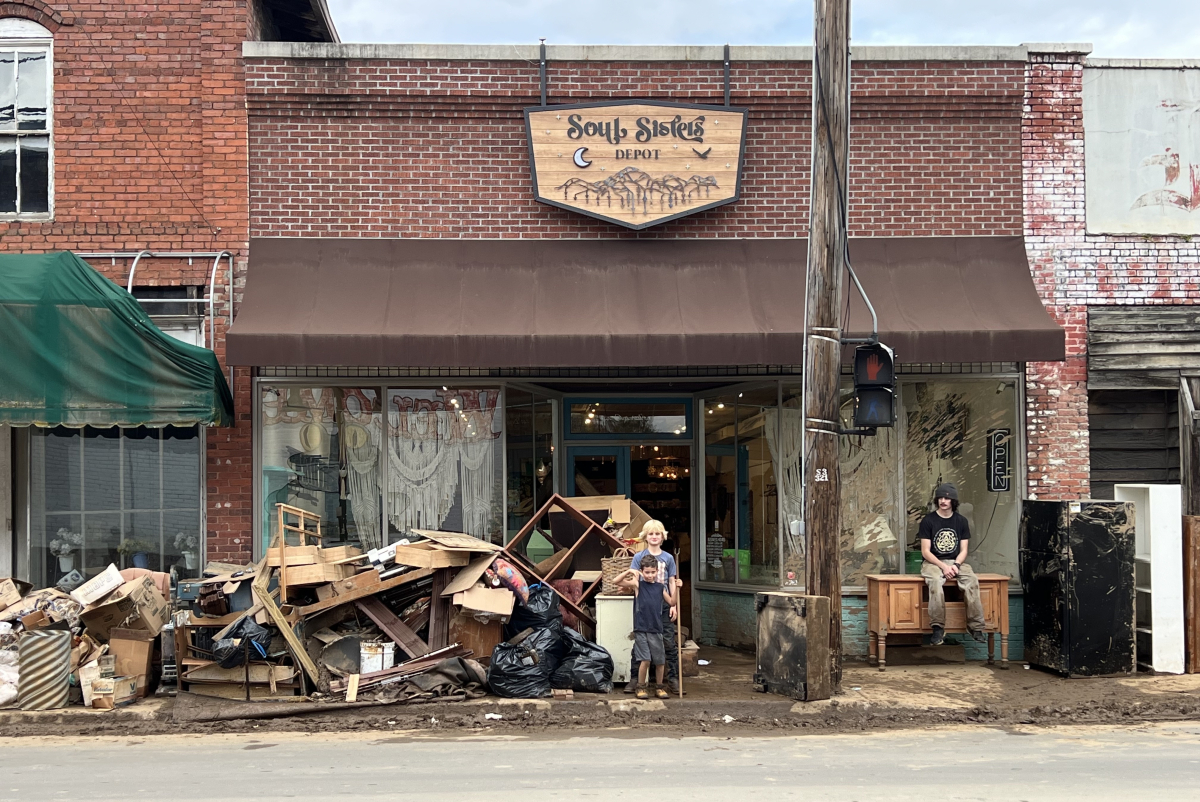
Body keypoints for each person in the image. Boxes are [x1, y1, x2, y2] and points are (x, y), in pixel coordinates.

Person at [918, 482, 986, 646]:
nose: (943, 501)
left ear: (953, 501)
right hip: (933, 562)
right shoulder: (928, 520)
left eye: (947, 498)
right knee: (935, 582)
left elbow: (964, 550)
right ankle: (938, 628)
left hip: (956, 561)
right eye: (940, 498)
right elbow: (926, 551)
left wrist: (955, 565)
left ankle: (976, 627)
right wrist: (944, 567)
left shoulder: (961, 521)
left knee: (972, 581)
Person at [623, 520, 681, 695]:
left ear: (662, 536)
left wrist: (674, 605)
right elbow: (633, 579)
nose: (654, 537)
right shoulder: (638, 557)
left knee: (668, 642)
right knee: (639, 644)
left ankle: (672, 679)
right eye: (651, 534)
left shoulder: (668, 558)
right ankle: (636, 679)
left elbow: (671, 581)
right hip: (643, 607)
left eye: (657, 534)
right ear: (645, 537)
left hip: (663, 605)